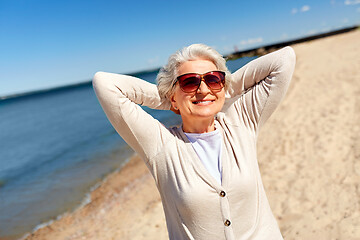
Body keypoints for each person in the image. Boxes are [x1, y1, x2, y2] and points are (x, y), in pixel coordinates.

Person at [93, 44, 296, 240]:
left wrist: (223, 91)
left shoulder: (241, 124)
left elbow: (283, 60)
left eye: (213, 79)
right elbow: (105, 84)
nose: (202, 89)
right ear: (173, 97)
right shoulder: (161, 145)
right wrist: (169, 98)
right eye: (189, 82)